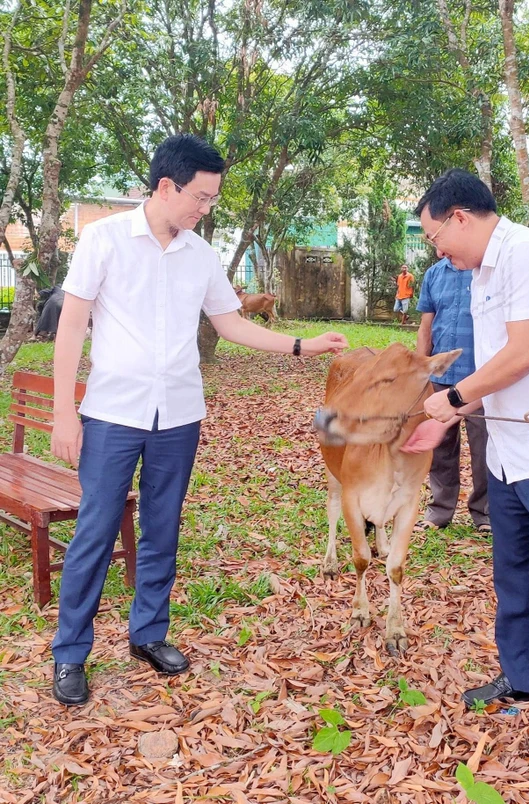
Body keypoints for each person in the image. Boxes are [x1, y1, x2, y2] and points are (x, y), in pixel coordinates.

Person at [49, 134, 347, 706]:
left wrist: (300, 345)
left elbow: (231, 325)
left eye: (211, 200)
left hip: (179, 414)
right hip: (112, 413)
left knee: (162, 529)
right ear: (167, 186)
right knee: (95, 531)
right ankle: (70, 654)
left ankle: (148, 635)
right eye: (202, 197)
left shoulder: (201, 255)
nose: (205, 209)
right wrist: (66, 414)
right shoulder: (103, 239)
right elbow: (70, 327)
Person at [402, 169, 529, 748]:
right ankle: (522, 677)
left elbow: (525, 352)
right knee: (514, 574)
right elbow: (494, 361)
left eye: (434, 235)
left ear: (459, 218)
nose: (436, 249)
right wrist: (451, 414)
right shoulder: (479, 271)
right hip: (510, 448)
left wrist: (452, 399)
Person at [415, 256, 490, 532]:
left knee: (484, 448)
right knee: (441, 447)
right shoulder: (434, 274)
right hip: (440, 378)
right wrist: (420, 369)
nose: (438, 246)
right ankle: (439, 511)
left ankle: (484, 513)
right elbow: (426, 327)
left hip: (480, 378)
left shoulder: (487, 272)